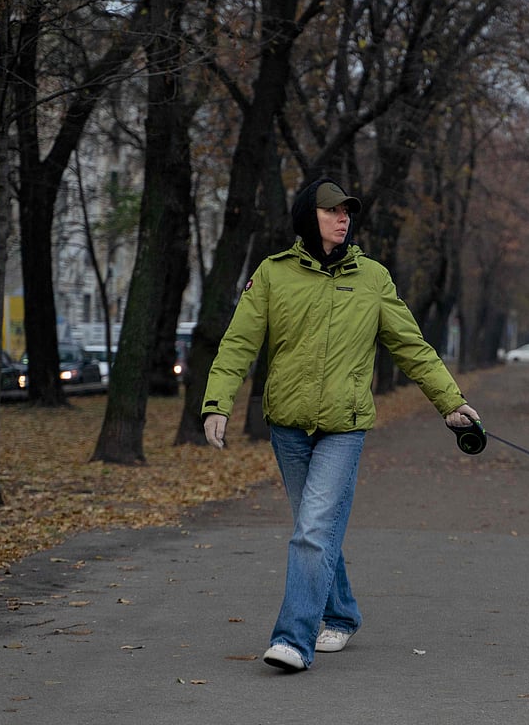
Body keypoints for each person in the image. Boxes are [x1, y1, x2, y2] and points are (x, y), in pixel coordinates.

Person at [201, 178, 481, 673]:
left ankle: (293, 639)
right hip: (288, 425)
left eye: (347, 212)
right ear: (307, 217)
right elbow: (238, 342)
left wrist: (450, 402)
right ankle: (343, 613)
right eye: (332, 211)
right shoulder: (273, 274)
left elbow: (410, 345)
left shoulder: (372, 277)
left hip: (344, 426)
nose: (343, 218)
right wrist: (217, 402)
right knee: (316, 528)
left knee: (313, 529)